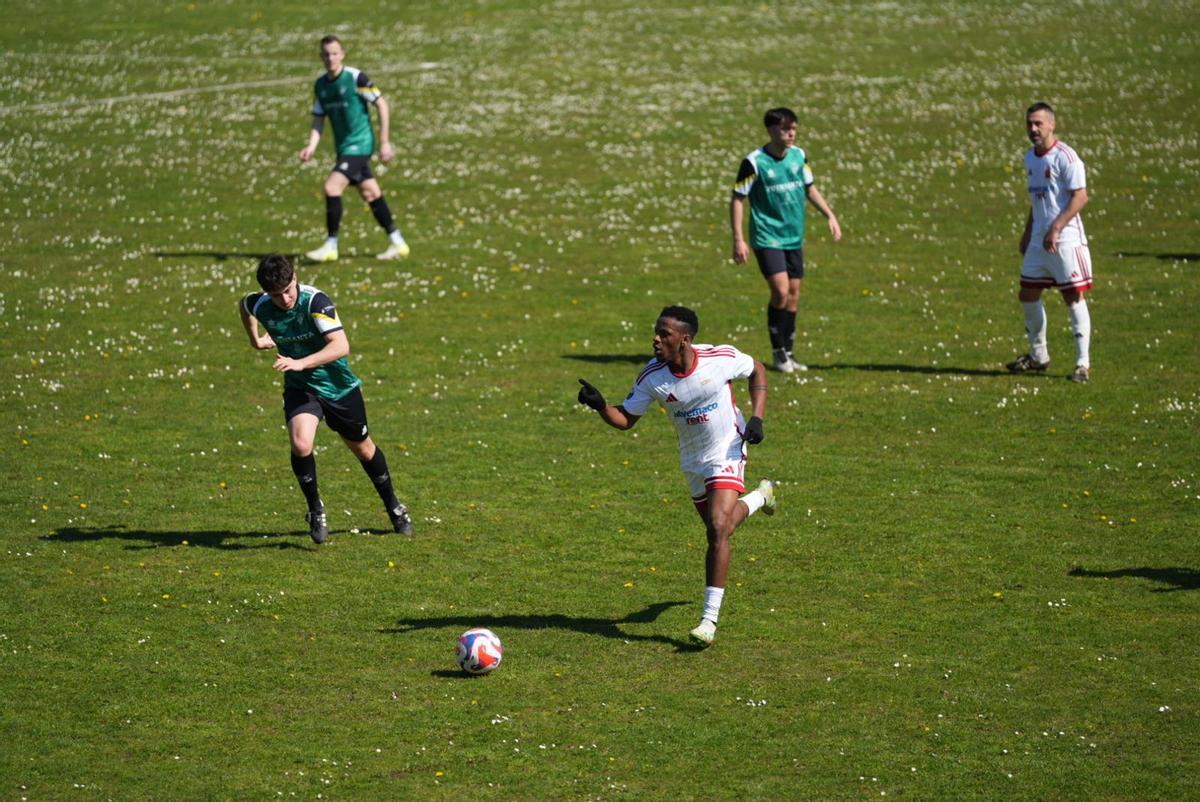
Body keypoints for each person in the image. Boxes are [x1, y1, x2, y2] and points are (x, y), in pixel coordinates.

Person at [577, 306, 776, 647]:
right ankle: (762, 496)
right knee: (722, 528)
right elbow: (626, 419)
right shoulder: (651, 378)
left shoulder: (719, 357)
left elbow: (756, 369)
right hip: (693, 460)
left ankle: (708, 621)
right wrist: (600, 406)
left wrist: (757, 418)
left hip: (727, 448)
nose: (655, 338)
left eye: (663, 334)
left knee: (716, 527)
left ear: (684, 339)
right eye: (655, 331)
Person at [238, 253, 413, 543]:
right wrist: (255, 339)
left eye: (287, 290)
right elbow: (244, 306)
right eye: (276, 295)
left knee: (364, 451)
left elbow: (341, 346)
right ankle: (315, 509)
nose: (284, 300)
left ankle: (394, 506)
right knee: (300, 443)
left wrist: (301, 362)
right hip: (301, 387)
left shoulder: (315, 302)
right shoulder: (261, 303)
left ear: (295, 278)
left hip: (339, 388)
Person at [730, 107, 841, 373]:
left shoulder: (799, 156)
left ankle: (789, 353)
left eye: (793, 129)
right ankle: (778, 352)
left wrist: (829, 214)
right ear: (770, 130)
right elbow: (737, 199)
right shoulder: (754, 162)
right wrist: (738, 239)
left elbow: (809, 187)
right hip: (767, 237)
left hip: (793, 237)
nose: (790, 134)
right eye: (785, 129)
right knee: (780, 290)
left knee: (794, 295)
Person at [299, 35, 410, 263]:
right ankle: (398, 243)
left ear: (343, 54)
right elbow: (319, 119)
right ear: (321, 57)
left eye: (335, 53)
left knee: (332, 187)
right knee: (370, 192)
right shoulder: (321, 85)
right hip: (344, 148)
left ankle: (331, 245)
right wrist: (311, 146)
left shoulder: (355, 77)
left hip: (360, 145)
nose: (330, 58)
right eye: (326, 54)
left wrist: (384, 141)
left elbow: (381, 104)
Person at [1007, 102, 1093, 382]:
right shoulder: (1030, 158)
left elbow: (1080, 197)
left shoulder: (1067, 157)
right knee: (1027, 294)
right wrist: (1028, 232)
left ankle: (1082, 365)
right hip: (1038, 240)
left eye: (1038, 124)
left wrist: (1056, 228)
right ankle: (1038, 356)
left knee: (1072, 296)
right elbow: (1037, 201)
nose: (1033, 129)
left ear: (1052, 125)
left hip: (1065, 240)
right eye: (1029, 123)